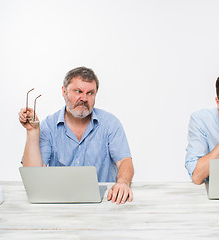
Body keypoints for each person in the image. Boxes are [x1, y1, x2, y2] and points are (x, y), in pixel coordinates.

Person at [19, 67, 134, 204]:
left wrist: (122, 182)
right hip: (60, 201)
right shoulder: (49, 126)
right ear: (64, 92)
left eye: (90, 93)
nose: (84, 98)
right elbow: (34, 176)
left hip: (105, 202)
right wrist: (32, 132)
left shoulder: (110, 123)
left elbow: (124, 161)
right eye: (78, 91)